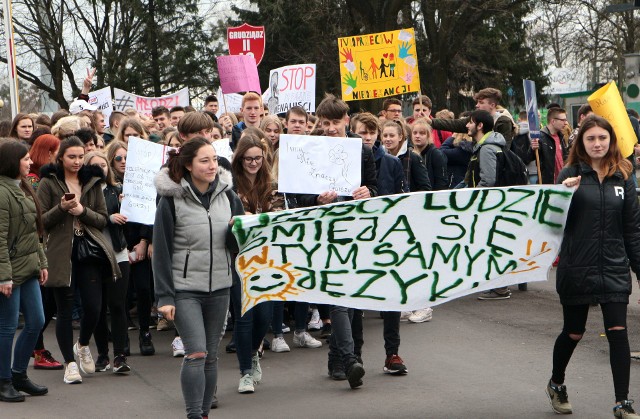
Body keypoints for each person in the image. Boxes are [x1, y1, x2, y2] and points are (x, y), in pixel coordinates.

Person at [547, 115, 640, 418]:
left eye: (602, 138)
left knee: (617, 330)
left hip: (614, 267)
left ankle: (622, 401)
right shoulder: (569, 174)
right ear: (581, 143)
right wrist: (563, 196)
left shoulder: (624, 176)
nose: (597, 143)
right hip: (578, 267)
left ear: (611, 140)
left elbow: (633, 230)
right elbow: (549, 223)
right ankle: (557, 383)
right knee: (574, 332)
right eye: (591, 139)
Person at [153, 137, 244, 419]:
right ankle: (194, 414)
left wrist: (236, 231)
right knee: (196, 353)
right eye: (204, 160)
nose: (212, 165)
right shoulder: (171, 200)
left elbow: (238, 244)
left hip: (220, 287)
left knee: (211, 356)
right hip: (184, 290)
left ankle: (204, 413)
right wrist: (165, 297)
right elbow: (162, 251)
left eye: (214, 159)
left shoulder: (229, 196)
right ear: (189, 165)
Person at [300, 93, 377, 389]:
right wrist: (316, 199)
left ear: (347, 120)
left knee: (353, 297)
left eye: (335, 122)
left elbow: (376, 188)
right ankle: (349, 359)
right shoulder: (309, 149)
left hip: (356, 231)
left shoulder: (362, 151)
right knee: (339, 297)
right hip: (323, 232)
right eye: (325, 122)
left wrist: (367, 192)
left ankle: (339, 360)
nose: (330, 128)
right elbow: (297, 196)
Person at [36, 137, 120, 384]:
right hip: (60, 253)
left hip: (89, 251)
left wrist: (82, 211)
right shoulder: (49, 182)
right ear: (60, 157)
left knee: (94, 307)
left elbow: (103, 219)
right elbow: (41, 221)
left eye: (80, 156)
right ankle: (69, 364)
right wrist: (62, 208)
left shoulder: (93, 181)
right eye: (71, 156)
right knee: (64, 310)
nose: (77, 161)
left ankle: (82, 344)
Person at [0, 140, 49, 402]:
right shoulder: (1, 192)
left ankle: (18, 374)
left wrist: (42, 262)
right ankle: (3, 380)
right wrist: (3, 276)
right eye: (26, 158)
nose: (31, 163)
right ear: (12, 161)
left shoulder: (23, 186)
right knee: (7, 328)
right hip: (9, 271)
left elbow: (33, 230)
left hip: (28, 267)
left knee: (36, 322)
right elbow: (0, 237)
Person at [85, 151, 131, 374]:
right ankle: (103, 354)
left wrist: (125, 208)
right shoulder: (83, 193)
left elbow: (131, 222)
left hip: (118, 253)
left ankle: (120, 355)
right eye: (95, 165)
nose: (101, 169)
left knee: (117, 304)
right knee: (97, 308)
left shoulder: (117, 190)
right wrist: (108, 218)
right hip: (93, 255)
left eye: (104, 165)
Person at [380, 120, 432, 192]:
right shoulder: (379, 157)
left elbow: (425, 188)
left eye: (392, 136)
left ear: (400, 137)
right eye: (385, 136)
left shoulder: (413, 157)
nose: (388, 139)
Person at [411, 118, 449, 191]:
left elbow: (441, 183)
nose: (417, 136)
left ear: (428, 135)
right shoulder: (411, 153)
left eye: (422, 133)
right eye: (415, 133)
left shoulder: (436, 154)